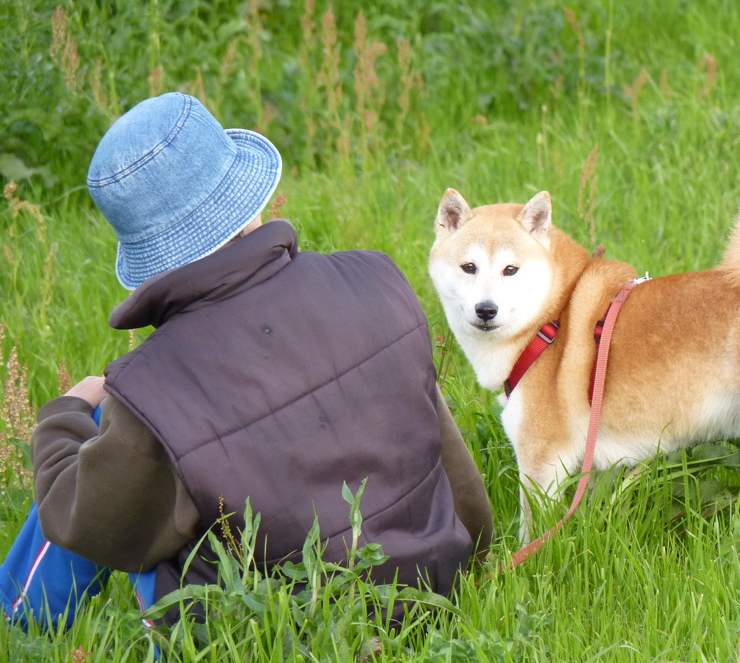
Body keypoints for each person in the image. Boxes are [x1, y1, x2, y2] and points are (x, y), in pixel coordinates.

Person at [1, 92, 492, 629]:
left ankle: (20, 623)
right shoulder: (376, 279)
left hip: (278, 642)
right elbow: (447, 460)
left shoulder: (151, 391)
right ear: (247, 200)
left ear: (148, 257)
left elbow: (88, 522)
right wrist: (473, 557)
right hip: (434, 591)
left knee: (103, 439)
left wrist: (65, 416)